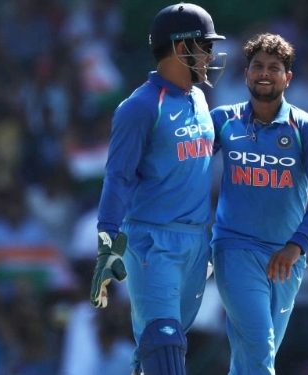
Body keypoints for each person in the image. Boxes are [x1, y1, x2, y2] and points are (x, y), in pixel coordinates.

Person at [89, 3, 226, 375]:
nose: (211, 56)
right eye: (206, 46)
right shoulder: (140, 107)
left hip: (197, 243)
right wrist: (107, 239)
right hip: (154, 243)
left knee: (159, 353)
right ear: (182, 49)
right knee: (163, 341)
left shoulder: (199, 98)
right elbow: (118, 176)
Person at [210, 33, 308, 375]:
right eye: (257, 66)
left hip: (286, 259)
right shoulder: (223, 120)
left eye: (274, 67)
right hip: (234, 248)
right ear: (246, 73)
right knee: (259, 347)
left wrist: (296, 247)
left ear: (288, 77)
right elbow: (184, 167)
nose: (264, 73)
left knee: (251, 357)